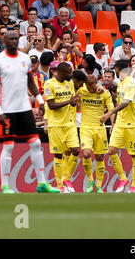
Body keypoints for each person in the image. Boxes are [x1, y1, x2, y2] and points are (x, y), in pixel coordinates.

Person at [0, 30, 58, 194]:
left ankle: (42, 183)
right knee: (9, 146)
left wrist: (40, 100)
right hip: (7, 109)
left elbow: (30, 82)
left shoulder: (24, 59)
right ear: (4, 41)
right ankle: (5, 185)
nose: (14, 41)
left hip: (25, 108)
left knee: (35, 143)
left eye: (15, 39)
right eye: (10, 39)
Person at [99, 59, 135, 193]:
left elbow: (126, 102)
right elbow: (119, 105)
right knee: (111, 150)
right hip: (120, 124)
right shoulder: (121, 84)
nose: (114, 71)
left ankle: (133, 186)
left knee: (134, 156)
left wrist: (109, 113)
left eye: (115, 69)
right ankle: (123, 178)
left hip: (133, 125)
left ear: (119, 69)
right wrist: (114, 123)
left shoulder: (131, 83)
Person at [43, 62, 80, 193]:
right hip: (55, 124)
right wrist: (69, 101)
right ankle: (60, 186)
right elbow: (51, 105)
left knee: (75, 150)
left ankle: (66, 178)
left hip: (69, 123)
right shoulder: (49, 84)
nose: (71, 75)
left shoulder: (69, 83)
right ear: (61, 72)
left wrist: (74, 102)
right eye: (69, 73)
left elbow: (71, 104)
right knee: (58, 155)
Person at [78, 75, 114, 193]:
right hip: (86, 128)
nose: (93, 86)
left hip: (100, 129)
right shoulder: (81, 91)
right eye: (90, 84)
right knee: (87, 153)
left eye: (94, 83)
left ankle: (99, 186)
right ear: (85, 84)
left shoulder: (104, 93)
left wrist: (112, 123)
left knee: (99, 157)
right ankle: (90, 180)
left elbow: (111, 109)